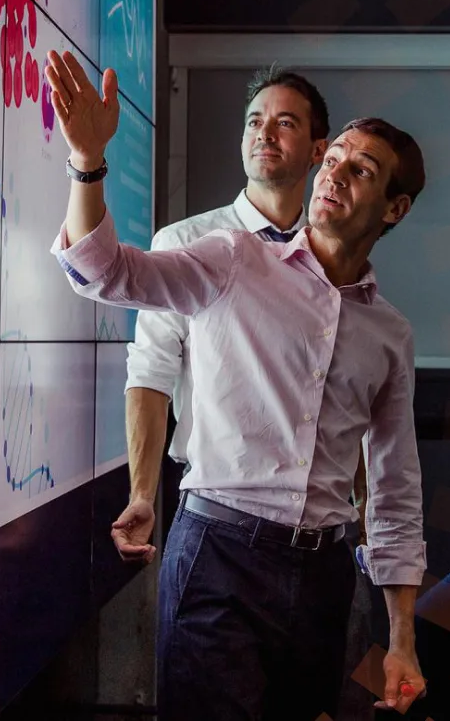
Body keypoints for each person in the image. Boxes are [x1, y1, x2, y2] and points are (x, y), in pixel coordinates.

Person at [46, 49, 427, 721]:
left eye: (359, 169)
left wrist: (402, 640)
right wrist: (87, 163)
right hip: (219, 556)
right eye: (335, 159)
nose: (336, 173)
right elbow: (101, 273)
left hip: (327, 574)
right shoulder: (229, 257)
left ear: (394, 208)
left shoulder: (390, 333)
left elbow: (394, 489)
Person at [114, 66, 375, 720]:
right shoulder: (189, 244)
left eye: (286, 122)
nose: (265, 133)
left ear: (319, 150)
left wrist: (372, 518)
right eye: (255, 121)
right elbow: (149, 374)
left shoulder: (341, 263)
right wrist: (143, 494)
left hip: (320, 548)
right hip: (219, 534)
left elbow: (354, 405)